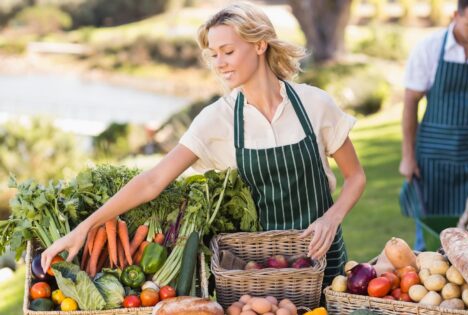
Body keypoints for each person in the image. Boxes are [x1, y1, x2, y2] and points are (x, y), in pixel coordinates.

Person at [42, 2, 366, 286]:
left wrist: (332, 217)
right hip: (260, 271)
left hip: (324, 260)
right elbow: (153, 180)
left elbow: (356, 177)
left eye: (228, 51)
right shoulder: (218, 119)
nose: (220, 63)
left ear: (259, 45)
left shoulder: (314, 104)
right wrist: (83, 228)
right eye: (214, 54)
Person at [399, 0, 468, 250]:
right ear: (455, 15)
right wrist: (407, 156)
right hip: (432, 156)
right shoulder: (428, 48)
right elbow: (410, 103)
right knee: (431, 237)